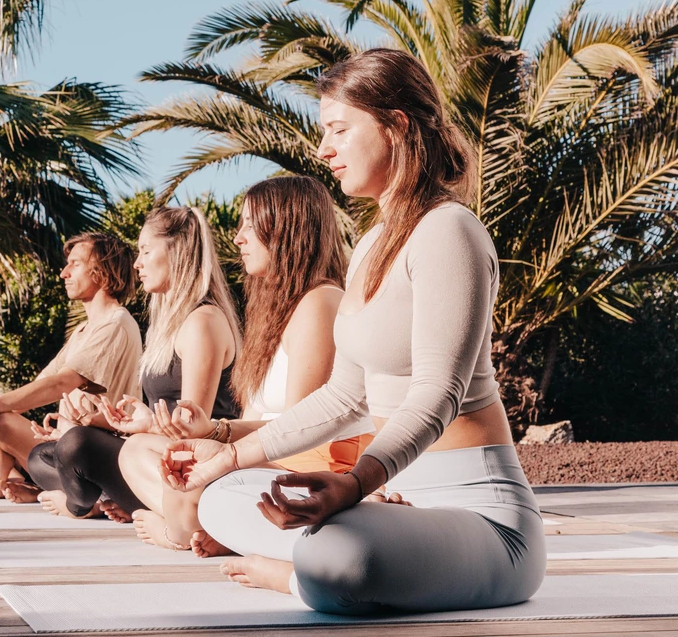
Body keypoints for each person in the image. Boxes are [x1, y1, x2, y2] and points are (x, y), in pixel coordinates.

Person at [161, 48, 545, 616]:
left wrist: (356, 483)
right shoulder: (369, 248)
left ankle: (296, 576)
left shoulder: (449, 231)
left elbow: (439, 391)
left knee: (340, 562)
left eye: (339, 130)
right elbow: (344, 396)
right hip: (390, 497)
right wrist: (225, 457)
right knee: (217, 498)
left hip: (480, 516)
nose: (324, 150)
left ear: (397, 126)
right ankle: (340, 551)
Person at [117, 175, 376, 555]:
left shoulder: (320, 304)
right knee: (141, 452)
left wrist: (219, 442)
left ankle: (180, 533)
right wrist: (210, 433)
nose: (238, 238)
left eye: (250, 226)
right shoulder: (276, 313)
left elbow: (301, 428)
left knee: (187, 487)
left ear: (287, 230)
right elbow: (255, 415)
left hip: (316, 469)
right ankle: (215, 528)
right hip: (270, 460)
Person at [25, 205, 241, 521]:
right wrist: (108, 420)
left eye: (145, 251)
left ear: (177, 252)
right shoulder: (170, 325)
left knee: (75, 447)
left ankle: (85, 507)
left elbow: (191, 433)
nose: (137, 263)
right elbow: (164, 418)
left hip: (190, 469)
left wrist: (139, 432)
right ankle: (117, 500)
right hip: (154, 450)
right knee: (42, 456)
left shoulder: (202, 322)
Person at [0, 233, 142, 501]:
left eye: (75, 264)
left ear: (103, 271)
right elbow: (38, 387)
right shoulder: (85, 331)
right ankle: (18, 485)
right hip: (64, 449)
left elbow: (61, 384)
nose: (63, 273)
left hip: (92, 458)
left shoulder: (114, 323)